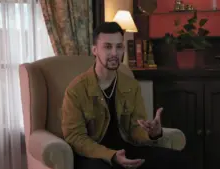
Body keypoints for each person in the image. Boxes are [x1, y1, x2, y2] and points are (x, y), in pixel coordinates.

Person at [61, 22, 187, 169]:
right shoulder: (76, 90)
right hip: (94, 155)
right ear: (94, 50)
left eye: (119, 47)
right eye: (108, 47)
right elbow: (75, 137)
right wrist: (111, 155)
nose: (114, 53)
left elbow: (135, 129)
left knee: (178, 160)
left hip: (126, 149)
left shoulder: (131, 85)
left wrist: (152, 133)